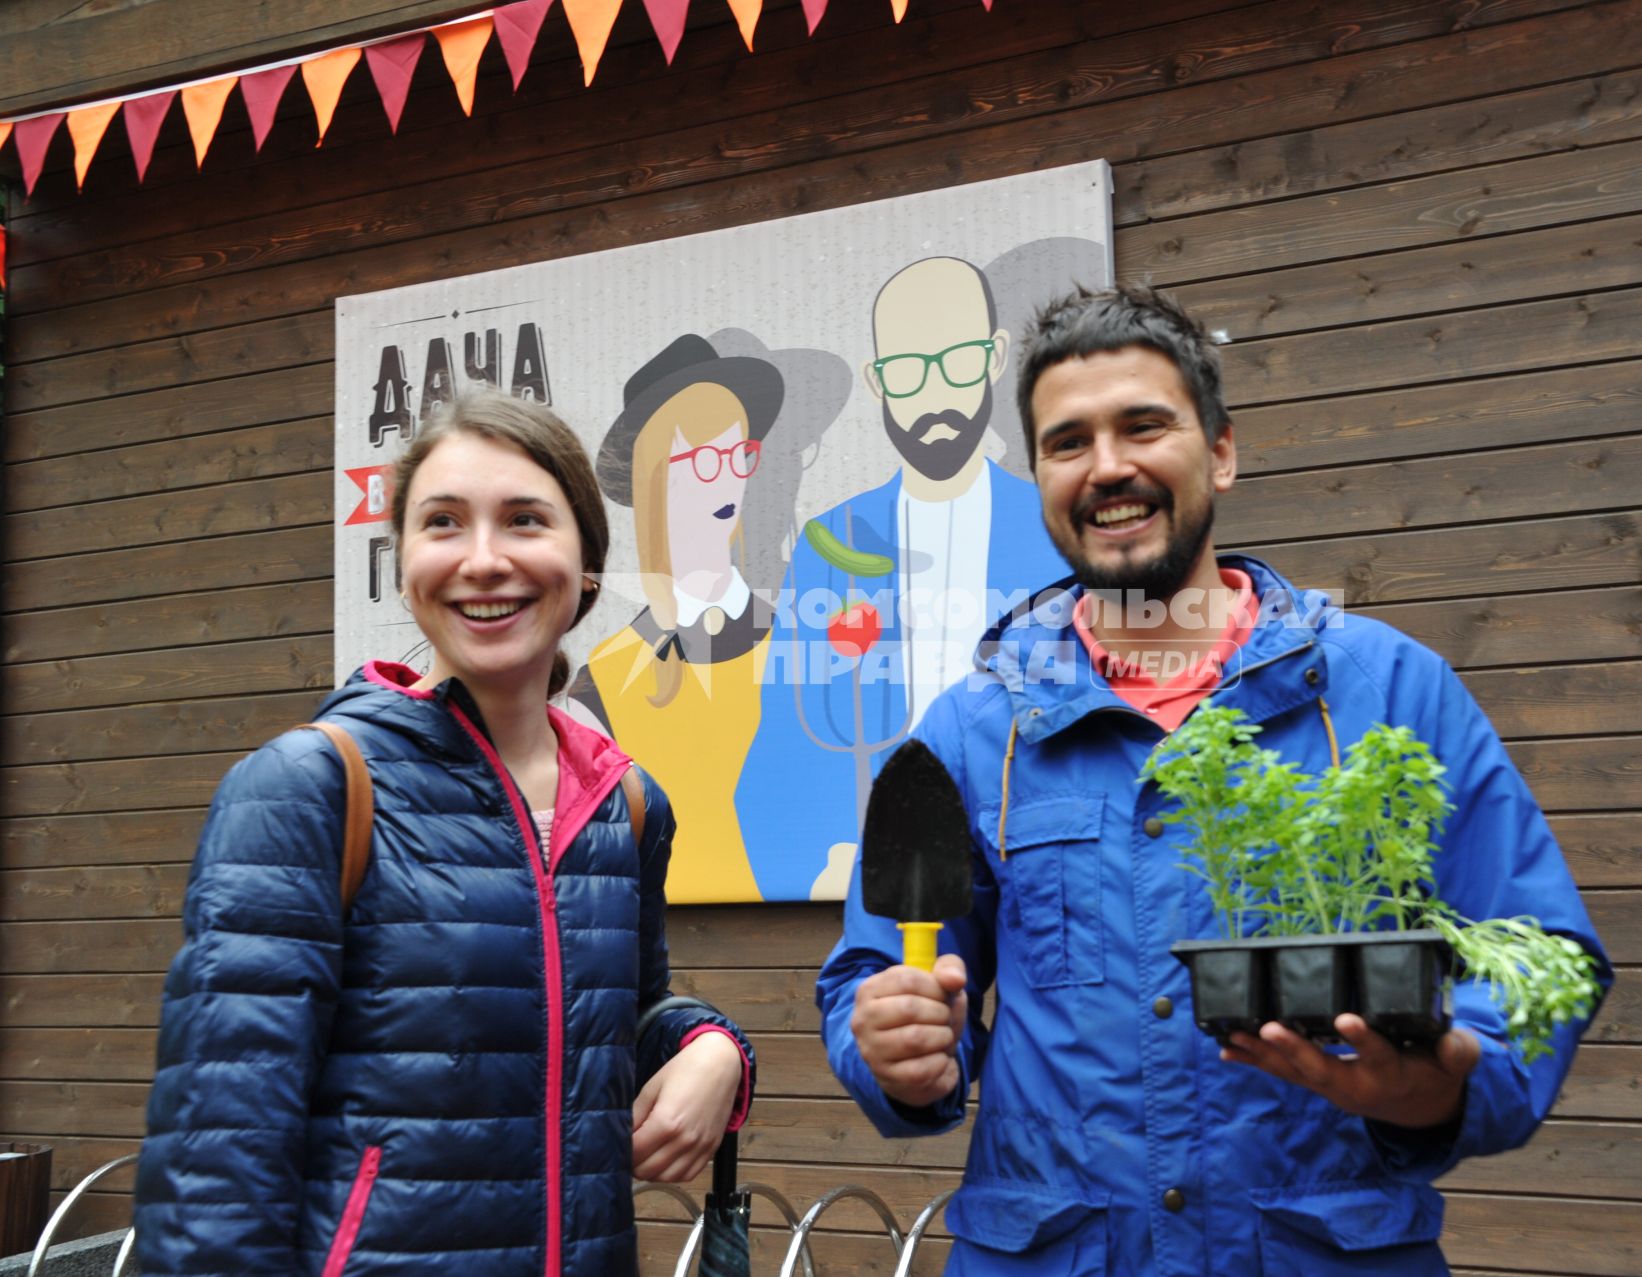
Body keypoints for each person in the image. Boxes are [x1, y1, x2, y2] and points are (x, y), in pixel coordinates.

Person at [816, 286, 1611, 1274]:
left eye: (1144, 425)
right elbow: (871, 976)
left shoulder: (1388, 688)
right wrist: (890, 1052)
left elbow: (1541, 948)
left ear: (1221, 452)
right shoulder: (975, 731)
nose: (1109, 465)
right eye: (1069, 442)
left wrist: (1446, 1082)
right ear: (1043, 478)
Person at [136, 389, 754, 1277]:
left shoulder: (627, 803)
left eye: (525, 520)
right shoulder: (310, 786)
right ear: (407, 561)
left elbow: (623, 1014)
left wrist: (712, 1048)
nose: (485, 558)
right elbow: (215, 1163)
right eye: (444, 523)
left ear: (586, 563)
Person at [739, 256, 1068, 903]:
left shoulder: (1052, 528)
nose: (935, 395)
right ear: (877, 380)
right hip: (884, 878)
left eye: (958, 362)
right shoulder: (831, 546)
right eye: (909, 371)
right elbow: (780, 748)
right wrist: (818, 859)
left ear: (996, 358)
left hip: (1038, 868)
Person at [572, 333, 786, 903]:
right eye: (704, 458)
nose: (729, 478)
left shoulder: (800, 637)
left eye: (739, 454)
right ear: (655, 476)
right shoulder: (605, 680)